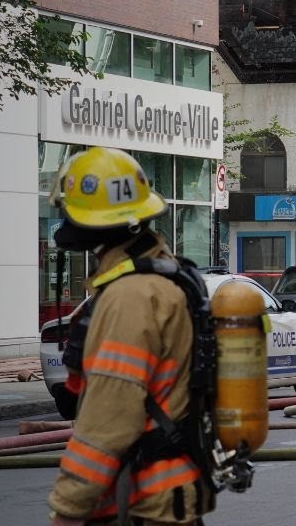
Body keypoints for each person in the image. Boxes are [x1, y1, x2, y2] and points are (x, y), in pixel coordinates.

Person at [47, 147, 213, 526]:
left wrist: (68, 509)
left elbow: (109, 420)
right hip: (166, 498)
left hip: (143, 503)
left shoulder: (130, 297)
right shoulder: (164, 275)